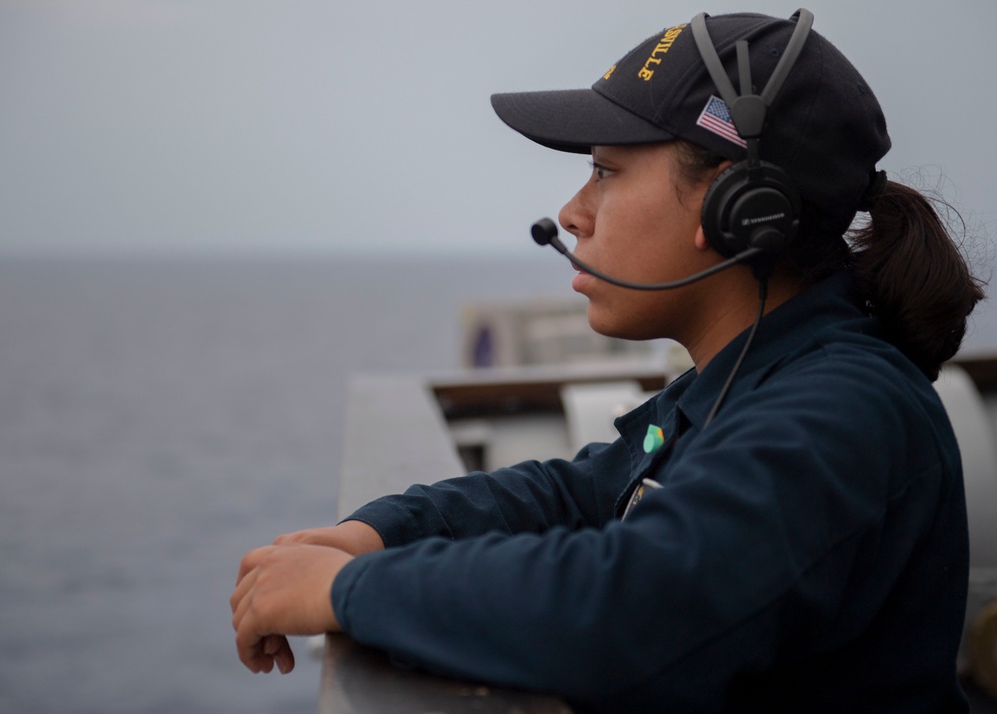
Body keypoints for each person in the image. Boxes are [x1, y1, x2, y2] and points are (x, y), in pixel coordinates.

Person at [230, 10, 986, 712]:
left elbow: (629, 611)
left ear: (733, 203)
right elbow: (580, 495)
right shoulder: (750, 383)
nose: (572, 212)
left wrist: (351, 589)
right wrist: (382, 532)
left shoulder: (837, 415)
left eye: (606, 171)